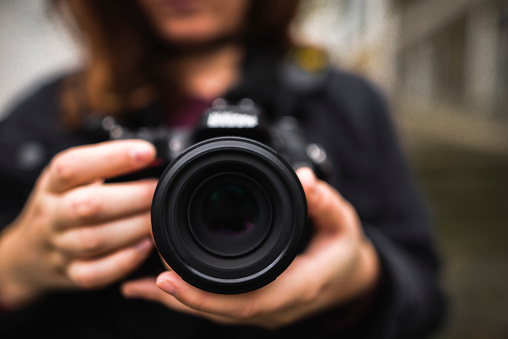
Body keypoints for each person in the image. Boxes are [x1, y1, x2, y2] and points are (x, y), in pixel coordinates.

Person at [0, 0, 445, 338]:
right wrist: (16, 267)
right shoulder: (47, 116)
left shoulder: (348, 104)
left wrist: (361, 280)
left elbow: (426, 299)